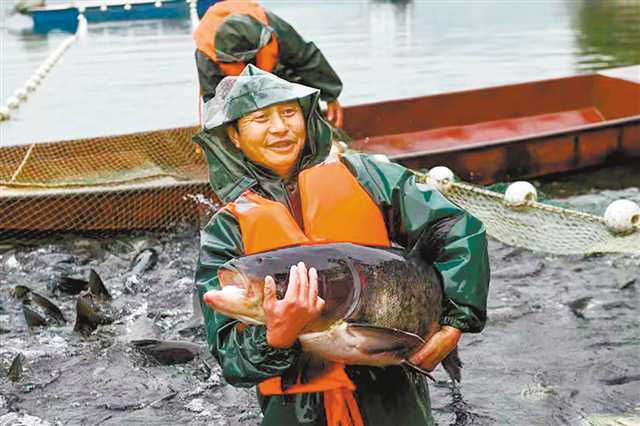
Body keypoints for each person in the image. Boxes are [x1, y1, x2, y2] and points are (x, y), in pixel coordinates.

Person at [193, 65, 490, 426]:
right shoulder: (225, 230)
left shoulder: (368, 177)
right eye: (260, 118)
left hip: (395, 401)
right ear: (234, 137)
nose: (279, 128)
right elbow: (231, 360)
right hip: (295, 415)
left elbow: (459, 229)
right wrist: (276, 337)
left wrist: (454, 322)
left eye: (289, 113)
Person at [193, 0, 344, 128]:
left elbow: (305, 58)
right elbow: (213, 98)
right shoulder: (207, 53)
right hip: (228, 73)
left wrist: (331, 96)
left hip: (273, 67)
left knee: (296, 87)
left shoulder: (273, 27)